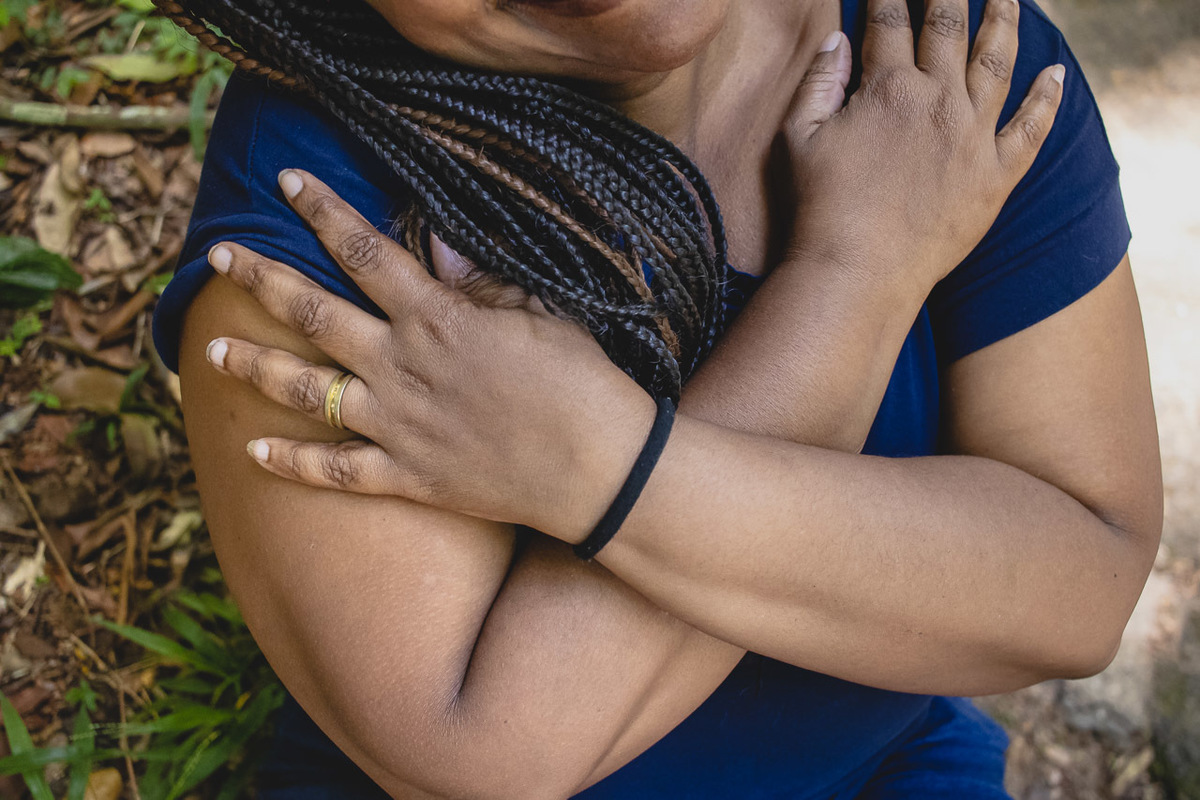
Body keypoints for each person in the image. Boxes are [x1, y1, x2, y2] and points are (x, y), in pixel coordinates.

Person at [150, 0, 1162, 796]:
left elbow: (1082, 581)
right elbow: (480, 753)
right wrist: (859, 275)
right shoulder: (317, 203)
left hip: (879, 768)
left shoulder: (944, 72)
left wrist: (592, 464)